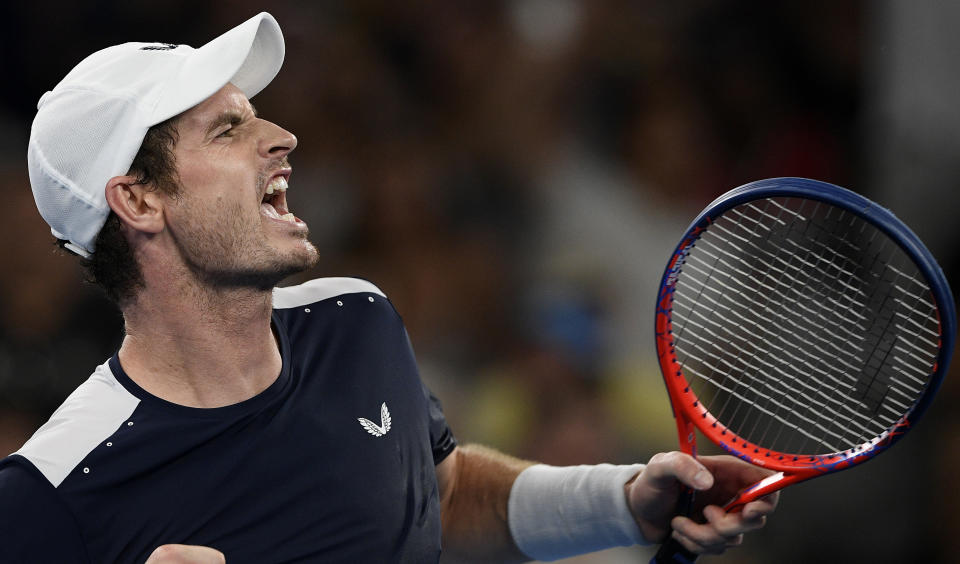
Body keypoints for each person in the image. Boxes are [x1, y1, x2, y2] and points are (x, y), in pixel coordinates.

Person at [0, 12, 777, 564]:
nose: (282, 137)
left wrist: (624, 502)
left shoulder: (356, 323)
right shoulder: (52, 494)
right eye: (228, 131)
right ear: (138, 201)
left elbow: (435, 495)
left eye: (255, 115)